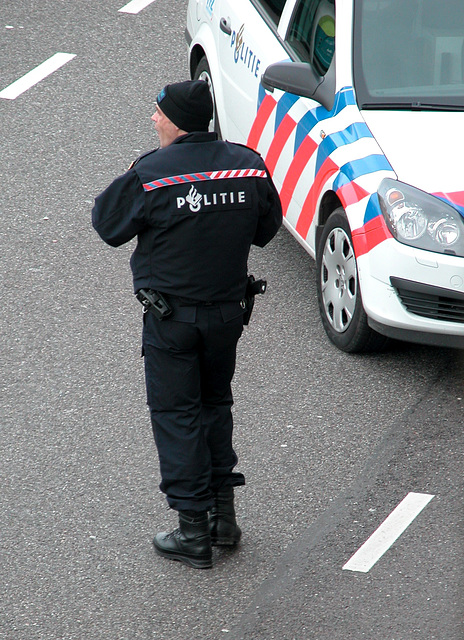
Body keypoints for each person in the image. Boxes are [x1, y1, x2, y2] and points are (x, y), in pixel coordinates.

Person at [92, 80, 282, 569]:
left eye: (157, 113)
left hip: (171, 319)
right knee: (215, 405)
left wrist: (135, 175)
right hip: (227, 316)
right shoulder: (249, 163)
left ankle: (193, 530)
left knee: (178, 415)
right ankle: (224, 517)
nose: (152, 120)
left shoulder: (151, 174)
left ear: (176, 122)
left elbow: (107, 225)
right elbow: (266, 229)